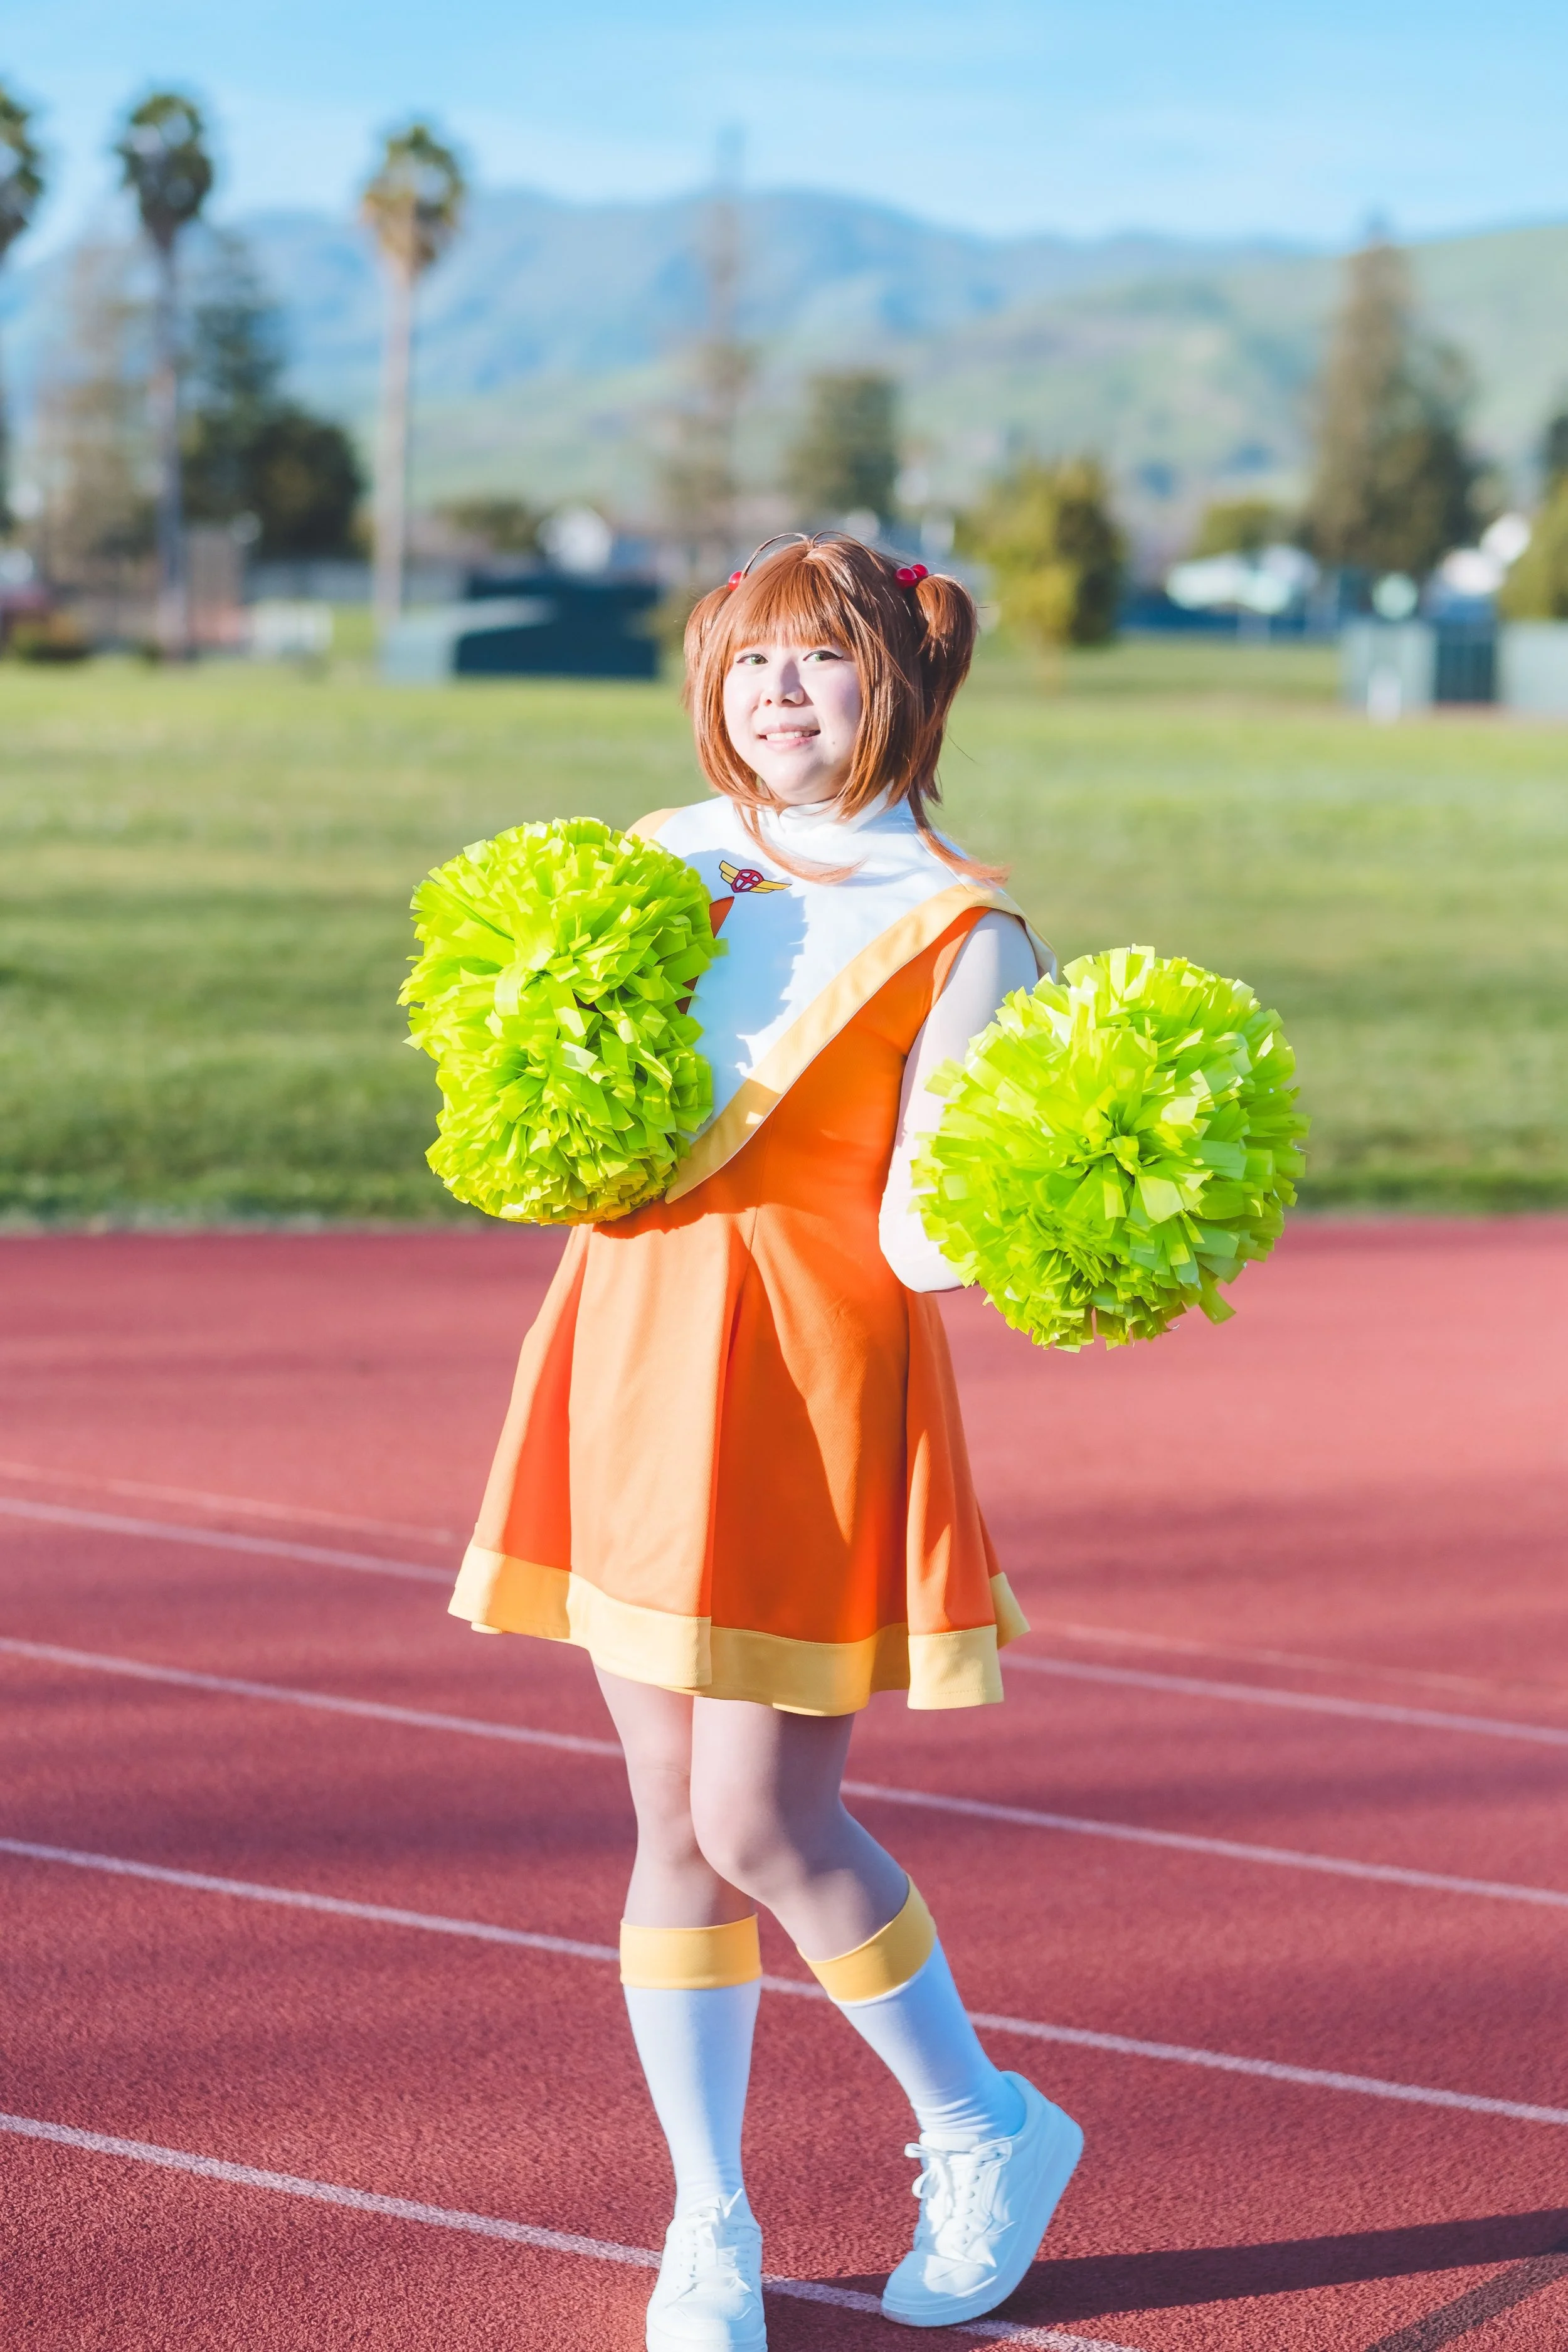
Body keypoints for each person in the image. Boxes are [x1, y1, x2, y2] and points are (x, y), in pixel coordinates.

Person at [450, 534, 1083, 2346]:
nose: (777, 692)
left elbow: (921, 1237)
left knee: (760, 1814)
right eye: (747, 661)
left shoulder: (962, 926)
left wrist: (1031, 1176)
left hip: (808, 1380)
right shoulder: (650, 864)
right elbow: (562, 1115)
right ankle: (705, 2217)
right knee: (668, 1819)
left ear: (900, 684)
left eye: (819, 659)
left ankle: (984, 2123)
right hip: (634, 1348)